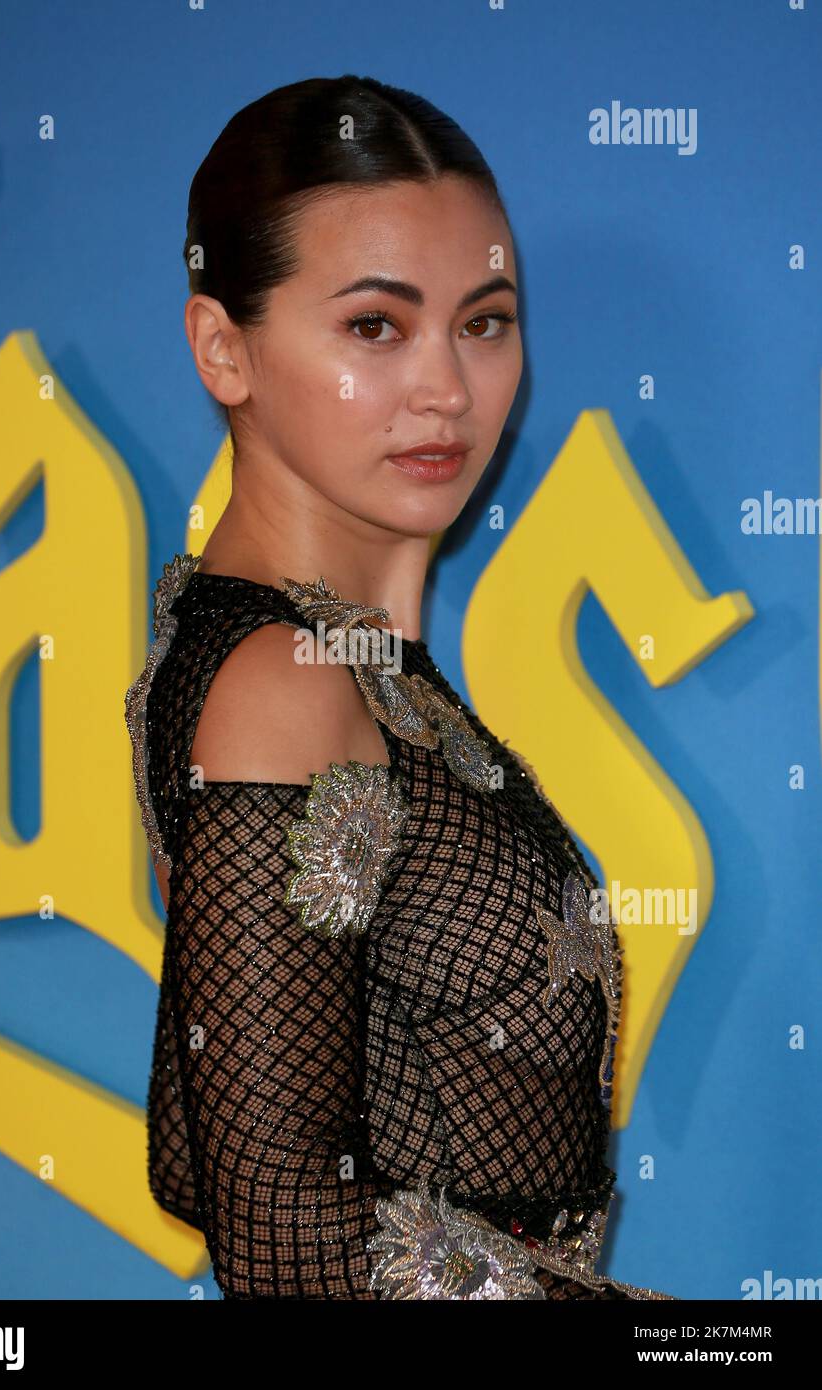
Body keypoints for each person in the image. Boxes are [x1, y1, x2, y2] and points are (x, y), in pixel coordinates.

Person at [125, 75, 679, 1301]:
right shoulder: (282, 678)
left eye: (483, 321)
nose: (447, 387)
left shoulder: (340, 666)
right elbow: (281, 1238)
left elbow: (204, 1143)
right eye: (375, 326)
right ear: (224, 347)